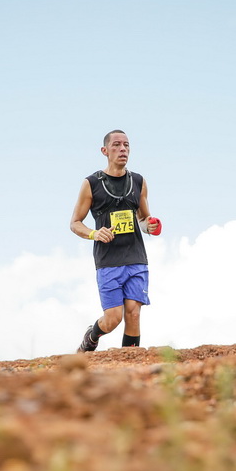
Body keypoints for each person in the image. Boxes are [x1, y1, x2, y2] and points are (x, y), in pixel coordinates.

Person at [70, 130, 162, 352]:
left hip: (135, 256)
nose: (123, 149)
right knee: (113, 319)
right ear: (105, 151)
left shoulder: (138, 181)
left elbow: (143, 218)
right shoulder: (91, 183)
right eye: (117, 145)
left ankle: (129, 365)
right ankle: (91, 337)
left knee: (134, 312)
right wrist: (95, 233)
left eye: (127, 145)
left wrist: (149, 225)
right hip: (108, 259)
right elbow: (75, 223)